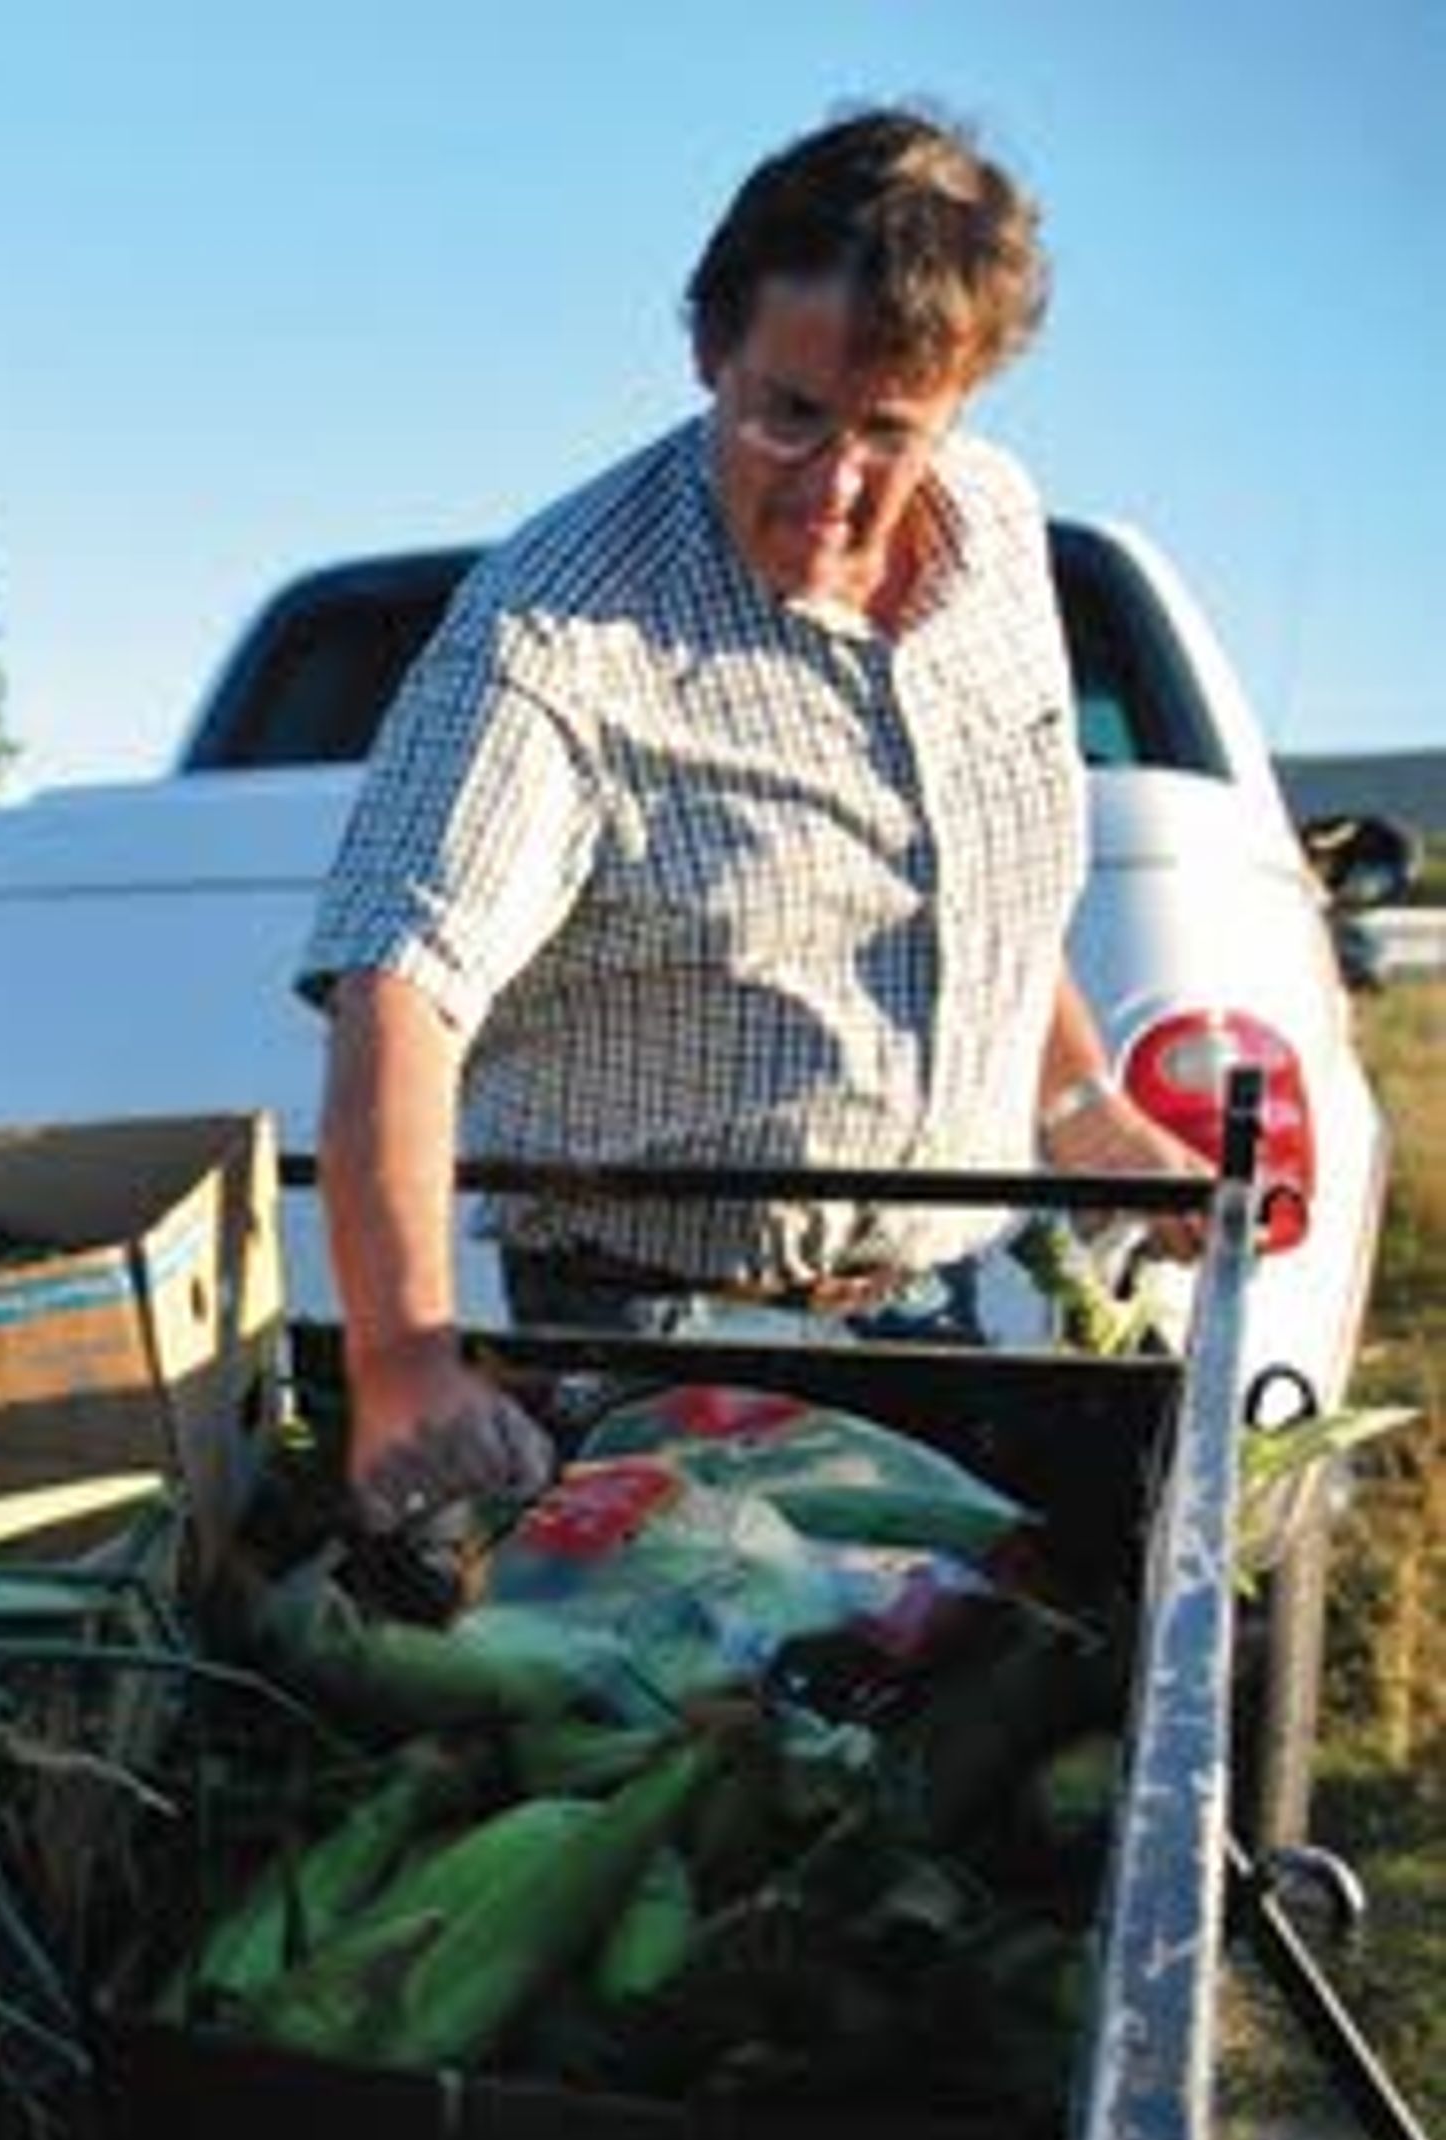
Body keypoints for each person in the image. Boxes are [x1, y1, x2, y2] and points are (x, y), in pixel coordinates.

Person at [304, 102, 1211, 1530]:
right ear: (710, 349)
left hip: (959, 1299)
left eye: (891, 432)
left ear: (963, 396)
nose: (837, 488)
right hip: (660, 1343)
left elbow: (975, 888)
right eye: (788, 415)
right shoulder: (555, 635)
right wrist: (404, 1355)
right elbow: (401, 996)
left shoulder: (1000, 536)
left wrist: (1087, 1110)